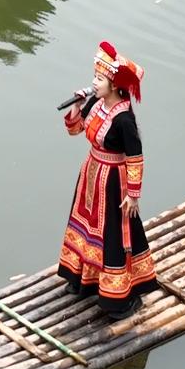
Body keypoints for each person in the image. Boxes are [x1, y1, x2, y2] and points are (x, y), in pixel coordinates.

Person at [57, 41, 157, 319]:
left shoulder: (124, 119)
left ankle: (120, 297)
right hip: (91, 173)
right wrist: (77, 106)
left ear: (114, 85)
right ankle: (82, 279)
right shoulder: (95, 103)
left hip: (113, 182)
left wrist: (133, 194)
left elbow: (135, 157)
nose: (94, 83)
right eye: (95, 77)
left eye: (99, 79)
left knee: (113, 233)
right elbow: (75, 130)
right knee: (85, 225)